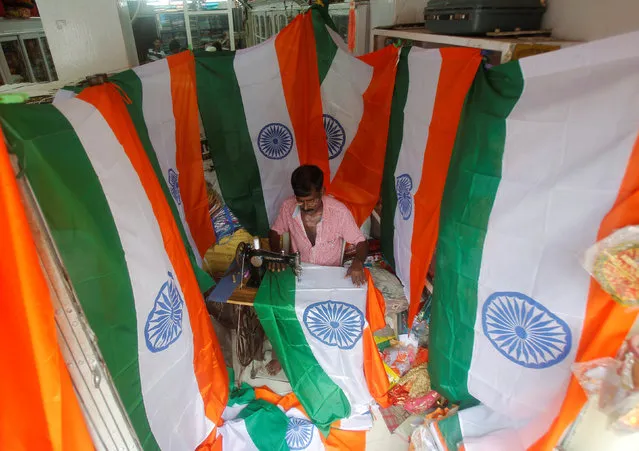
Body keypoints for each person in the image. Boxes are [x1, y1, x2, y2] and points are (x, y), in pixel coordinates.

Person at [269, 165, 368, 286]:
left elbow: (361, 242)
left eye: (311, 201)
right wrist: (277, 254)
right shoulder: (288, 207)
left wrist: (358, 261)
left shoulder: (339, 212)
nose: (305, 207)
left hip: (330, 276)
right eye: (300, 201)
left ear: (322, 191)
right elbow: (274, 231)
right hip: (299, 274)